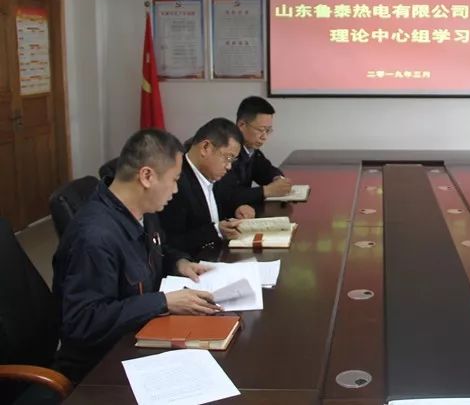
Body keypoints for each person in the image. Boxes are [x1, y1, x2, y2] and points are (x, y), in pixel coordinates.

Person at [52, 129, 221, 383]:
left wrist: (178, 262)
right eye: (174, 179)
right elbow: (84, 321)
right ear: (147, 176)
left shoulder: (142, 210)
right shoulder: (94, 237)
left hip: (142, 335)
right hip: (101, 367)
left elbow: (156, 251)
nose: (176, 190)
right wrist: (163, 302)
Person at [158, 118, 253, 257]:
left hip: (220, 256)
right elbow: (170, 243)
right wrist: (216, 231)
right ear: (205, 148)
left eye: (233, 160)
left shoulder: (217, 175)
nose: (229, 166)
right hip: (193, 263)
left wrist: (239, 208)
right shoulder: (175, 183)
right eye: (227, 158)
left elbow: (229, 198)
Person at [214, 96, 291, 218]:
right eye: (261, 130)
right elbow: (226, 195)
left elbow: (266, 170)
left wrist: (277, 178)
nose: (264, 137)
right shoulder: (225, 151)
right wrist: (267, 191)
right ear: (241, 125)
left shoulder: (250, 150)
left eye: (268, 131)